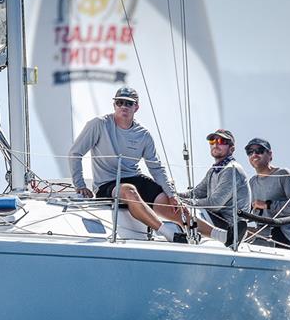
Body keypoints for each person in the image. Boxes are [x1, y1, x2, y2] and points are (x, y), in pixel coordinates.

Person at [69, 86, 185, 241]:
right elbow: (74, 153)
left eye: (129, 103)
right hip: (107, 185)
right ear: (114, 105)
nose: (123, 106)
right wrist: (80, 186)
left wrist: (172, 194)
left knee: (174, 205)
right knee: (129, 190)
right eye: (119, 102)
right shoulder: (99, 124)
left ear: (136, 107)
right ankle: (168, 233)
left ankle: (219, 235)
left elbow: (156, 168)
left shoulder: (143, 134)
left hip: (134, 178)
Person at [178, 129, 250, 245]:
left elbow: (215, 203)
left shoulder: (231, 169)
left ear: (231, 149)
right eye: (212, 141)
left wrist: (184, 203)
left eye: (221, 141)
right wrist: (172, 194)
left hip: (230, 228)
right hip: (215, 220)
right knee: (178, 209)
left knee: (183, 211)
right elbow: (195, 193)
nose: (216, 144)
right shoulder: (214, 170)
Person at [245, 137, 290, 247]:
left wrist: (267, 204)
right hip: (261, 231)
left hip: (280, 234)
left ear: (270, 154)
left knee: (234, 236)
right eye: (250, 152)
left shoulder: (283, 174)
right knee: (230, 233)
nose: (254, 155)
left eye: (259, 151)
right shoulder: (252, 181)